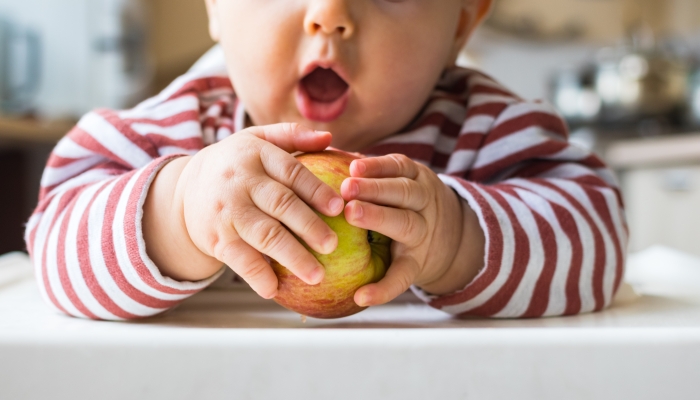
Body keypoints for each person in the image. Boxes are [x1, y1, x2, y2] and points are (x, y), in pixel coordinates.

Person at [25, 0, 627, 320]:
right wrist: (179, 208)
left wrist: (454, 238)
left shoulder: (490, 129)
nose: (329, 12)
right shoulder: (177, 130)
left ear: (462, 22)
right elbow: (53, 241)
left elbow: (599, 239)